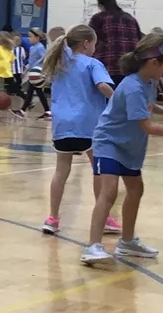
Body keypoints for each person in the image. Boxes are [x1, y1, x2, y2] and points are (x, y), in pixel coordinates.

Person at [81, 32, 163, 265]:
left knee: (136, 190)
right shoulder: (132, 86)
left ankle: (126, 242)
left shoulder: (149, 81)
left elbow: (148, 105)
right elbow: (146, 125)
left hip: (130, 146)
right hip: (109, 142)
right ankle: (92, 246)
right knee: (109, 192)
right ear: (153, 62)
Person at [38, 25, 120, 235]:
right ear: (86, 44)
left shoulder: (59, 64)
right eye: (94, 43)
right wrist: (120, 103)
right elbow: (102, 86)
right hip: (89, 126)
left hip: (62, 125)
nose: (95, 47)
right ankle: (105, 218)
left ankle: (52, 218)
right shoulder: (93, 64)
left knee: (61, 171)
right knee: (99, 170)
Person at [88, 0, 143, 87]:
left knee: (107, 101)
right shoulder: (131, 19)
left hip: (107, 69)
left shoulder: (98, 18)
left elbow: (87, 42)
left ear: (100, 4)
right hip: (129, 70)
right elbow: (140, 42)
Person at [19, 27, 51, 119]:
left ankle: (22, 110)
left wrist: (44, 71)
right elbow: (31, 61)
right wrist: (26, 70)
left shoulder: (40, 47)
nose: (28, 38)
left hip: (37, 74)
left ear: (37, 38)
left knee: (31, 92)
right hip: (32, 73)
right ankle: (47, 111)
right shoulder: (32, 48)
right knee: (35, 92)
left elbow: (45, 59)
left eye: (30, 36)